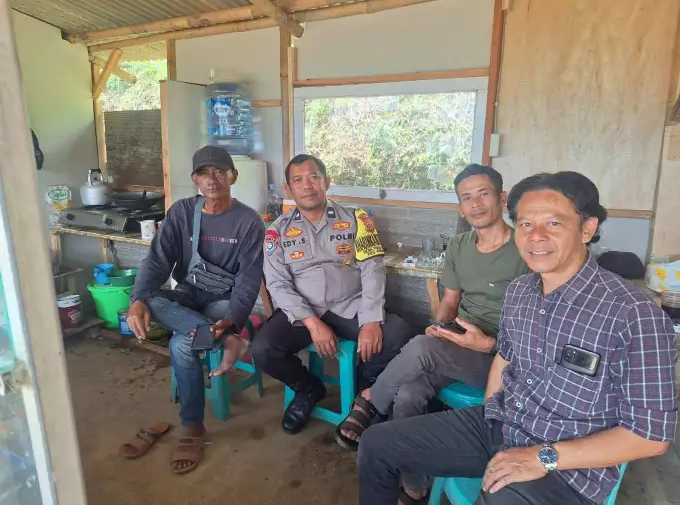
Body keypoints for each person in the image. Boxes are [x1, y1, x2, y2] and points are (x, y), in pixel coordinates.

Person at [357, 171, 677, 505]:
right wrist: (491, 412)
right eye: (525, 224)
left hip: (565, 466)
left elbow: (651, 436)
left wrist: (542, 457)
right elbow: (505, 357)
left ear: (587, 228)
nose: (536, 236)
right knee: (376, 444)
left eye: (553, 223)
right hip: (504, 425)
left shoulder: (634, 314)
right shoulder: (521, 291)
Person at [335, 164, 530, 504]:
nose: (476, 204)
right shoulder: (459, 245)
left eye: (484, 194)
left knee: (423, 348)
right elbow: (450, 303)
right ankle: (416, 487)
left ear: (502, 198)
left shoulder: (526, 250)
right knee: (408, 394)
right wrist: (440, 325)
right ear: (460, 208)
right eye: (466, 198)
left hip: (503, 359)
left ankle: (369, 399)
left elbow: (538, 330)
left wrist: (490, 343)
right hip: (458, 345)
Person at [125, 145, 265, 475]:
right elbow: (158, 260)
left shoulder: (249, 221)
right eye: (204, 173)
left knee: (181, 345)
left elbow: (248, 281)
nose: (212, 179)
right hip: (188, 292)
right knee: (147, 298)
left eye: (219, 172)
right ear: (195, 179)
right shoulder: (182, 212)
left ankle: (192, 426)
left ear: (233, 176)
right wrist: (137, 299)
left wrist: (232, 321)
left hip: (224, 301)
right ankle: (226, 340)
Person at [250, 154, 413, 435]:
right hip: (303, 310)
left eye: (314, 177)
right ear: (288, 189)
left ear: (327, 182)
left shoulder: (356, 220)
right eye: (298, 180)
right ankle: (307, 388)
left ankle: (365, 391)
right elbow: (277, 284)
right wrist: (312, 323)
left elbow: (373, 269)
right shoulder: (277, 231)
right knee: (262, 349)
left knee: (397, 333)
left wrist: (371, 320)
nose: (307, 186)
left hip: (350, 304)